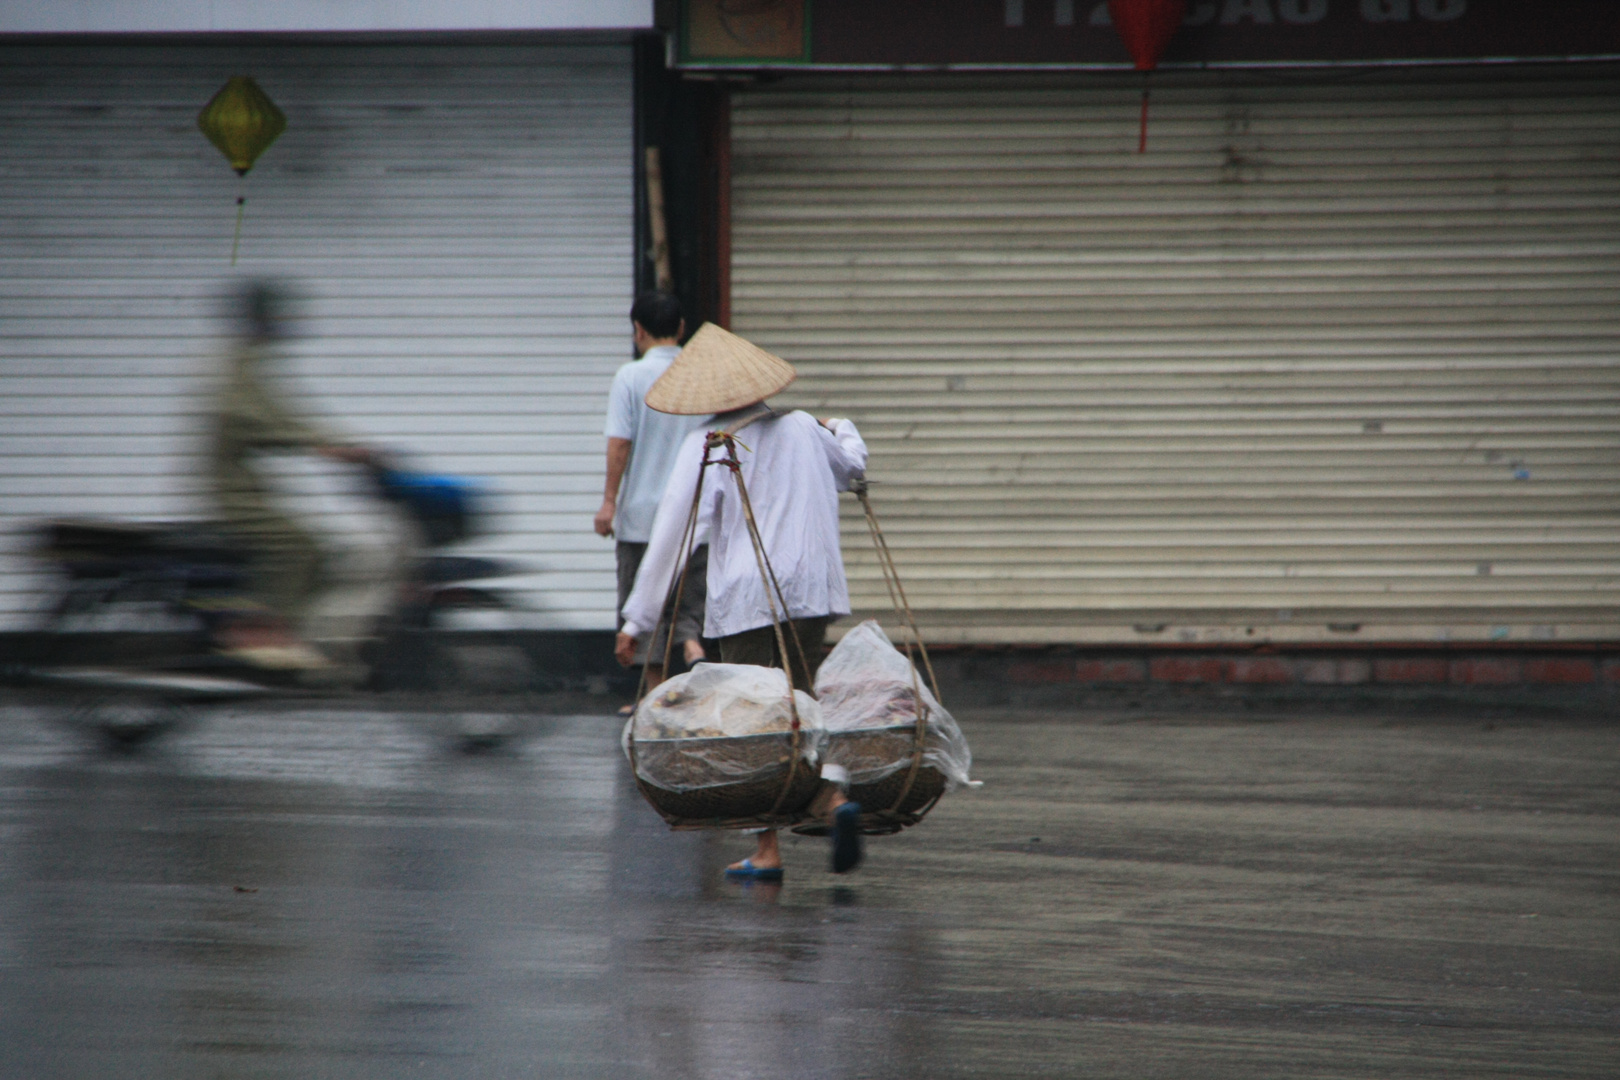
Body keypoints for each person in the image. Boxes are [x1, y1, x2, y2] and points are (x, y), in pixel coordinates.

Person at [616, 323, 870, 876]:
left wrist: (637, 618)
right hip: (813, 591)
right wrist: (841, 425)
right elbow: (853, 469)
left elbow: (673, 533)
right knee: (800, 700)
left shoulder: (706, 443)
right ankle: (833, 798)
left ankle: (770, 848)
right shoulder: (804, 426)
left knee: (758, 720)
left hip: (751, 597)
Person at [207, 280, 380, 670]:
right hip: (232, 493)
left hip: (245, 489)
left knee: (316, 544)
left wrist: (335, 441)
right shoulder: (238, 365)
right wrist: (323, 445)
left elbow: (283, 412)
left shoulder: (249, 361)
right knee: (300, 546)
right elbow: (251, 416)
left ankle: (287, 628)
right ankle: (259, 633)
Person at [596, 291, 711, 698]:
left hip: (642, 514)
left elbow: (619, 444)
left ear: (638, 331)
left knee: (641, 597)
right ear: (681, 329)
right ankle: (692, 643)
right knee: (687, 592)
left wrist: (609, 501)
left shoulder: (630, 377)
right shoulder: (703, 375)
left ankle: (655, 693)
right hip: (693, 513)